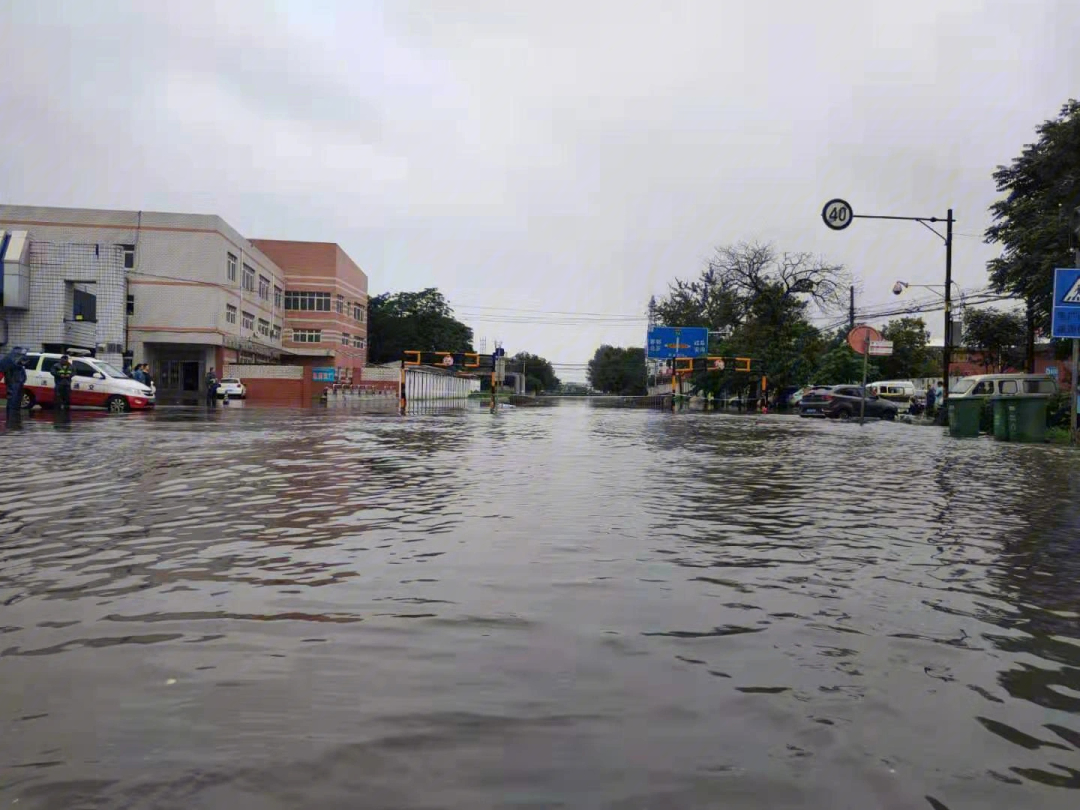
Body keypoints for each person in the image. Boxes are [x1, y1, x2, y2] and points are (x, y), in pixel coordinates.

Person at [2, 347, 29, 420]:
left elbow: (23, 375)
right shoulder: (10, 363)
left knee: (17, 399)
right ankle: (11, 415)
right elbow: (8, 375)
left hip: (18, 384)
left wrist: (22, 381)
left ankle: (15, 414)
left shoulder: (19, 367)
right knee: (12, 398)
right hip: (13, 383)